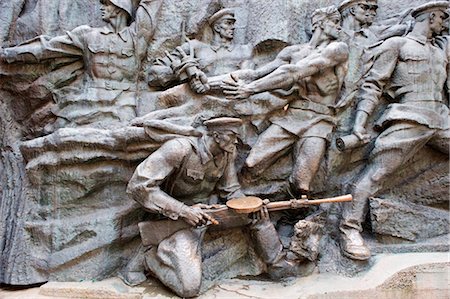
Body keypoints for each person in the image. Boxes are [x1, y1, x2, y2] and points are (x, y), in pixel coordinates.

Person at [125, 117, 302, 297]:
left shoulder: (225, 155)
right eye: (232, 135)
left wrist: (251, 205)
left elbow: (231, 191)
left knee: (258, 216)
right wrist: (183, 211)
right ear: (216, 135)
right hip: (174, 221)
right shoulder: (180, 149)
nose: (236, 141)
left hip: (207, 215)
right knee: (189, 289)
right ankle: (150, 260)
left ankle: (279, 267)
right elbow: (139, 186)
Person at [339, 1, 449, 261]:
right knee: (377, 173)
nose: (444, 24)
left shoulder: (439, 51)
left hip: (442, 118)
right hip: (410, 115)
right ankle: (349, 229)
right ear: (430, 16)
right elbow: (372, 86)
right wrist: (357, 126)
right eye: (443, 18)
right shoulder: (396, 45)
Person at [223, 6, 348, 196]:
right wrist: (211, 82)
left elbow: (293, 72)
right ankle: (233, 196)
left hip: (321, 120)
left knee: (302, 183)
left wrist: (251, 89)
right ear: (319, 23)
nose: (339, 27)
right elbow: (256, 73)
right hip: (293, 115)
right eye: (335, 22)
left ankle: (290, 218)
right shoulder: (293, 52)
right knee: (251, 163)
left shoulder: (338, 49)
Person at [1, 0, 162, 130]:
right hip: (85, 106)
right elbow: (48, 47)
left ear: (120, 7)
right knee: (58, 131)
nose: (102, 7)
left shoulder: (136, 39)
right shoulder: (87, 36)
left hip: (123, 108)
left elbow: (150, 7)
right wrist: (10, 55)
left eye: (107, 3)